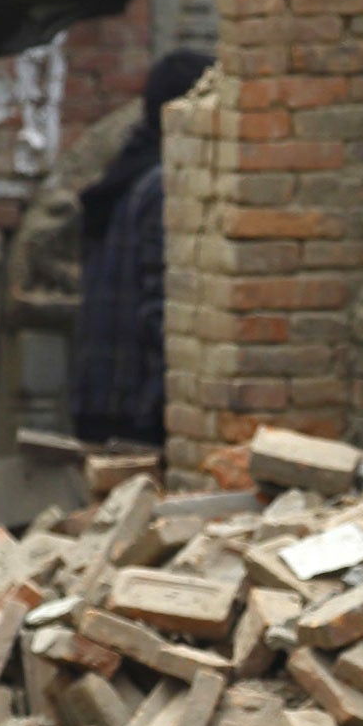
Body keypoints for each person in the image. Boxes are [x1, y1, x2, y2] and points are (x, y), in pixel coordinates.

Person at [71, 47, 213, 446]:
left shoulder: (126, 170)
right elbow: (161, 307)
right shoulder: (162, 185)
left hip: (103, 397)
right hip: (136, 405)